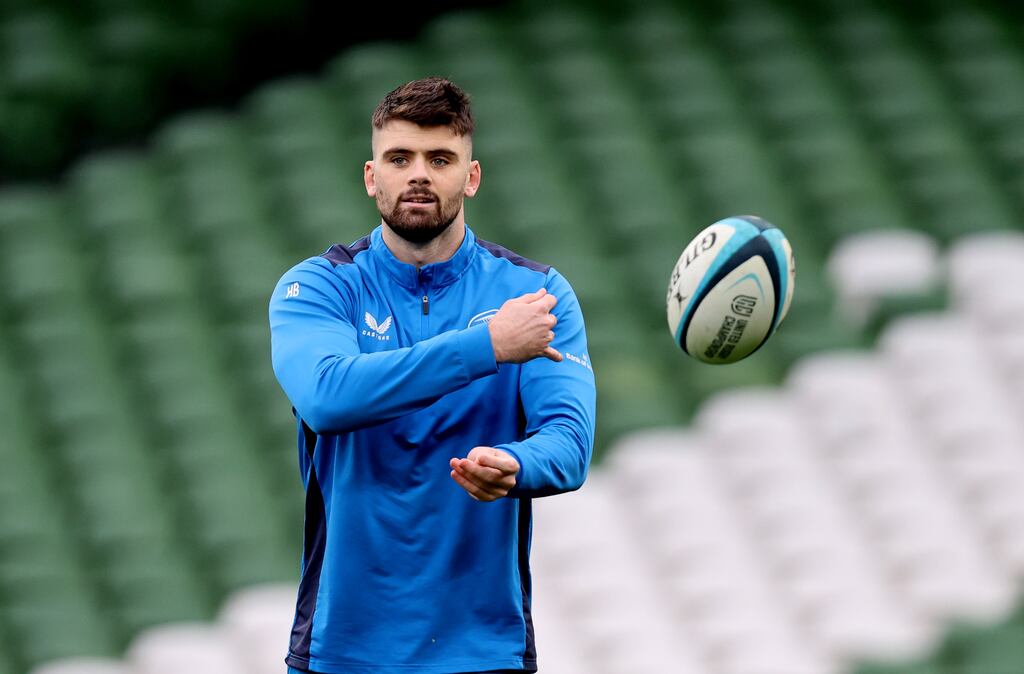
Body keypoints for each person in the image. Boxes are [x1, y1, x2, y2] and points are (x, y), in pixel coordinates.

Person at [269, 77, 596, 674]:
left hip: (482, 652)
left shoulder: (537, 294)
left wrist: (518, 465)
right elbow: (326, 395)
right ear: (372, 177)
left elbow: (570, 443)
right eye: (400, 158)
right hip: (341, 651)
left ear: (470, 177)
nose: (418, 174)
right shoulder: (318, 286)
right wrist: (487, 346)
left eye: (440, 159)